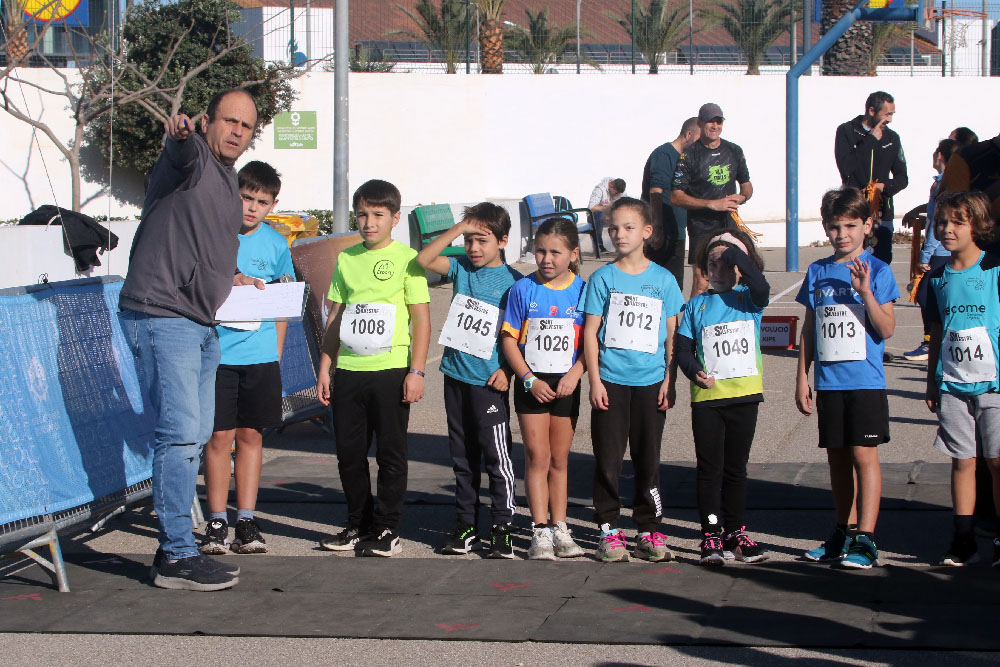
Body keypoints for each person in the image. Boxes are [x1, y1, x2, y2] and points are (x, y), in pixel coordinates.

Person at [119, 88, 263, 592]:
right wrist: (177, 136)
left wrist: (233, 278)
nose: (235, 132)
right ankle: (177, 556)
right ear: (207, 121)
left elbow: (205, 246)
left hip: (200, 322)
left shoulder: (226, 179)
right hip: (163, 314)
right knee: (180, 435)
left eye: (245, 126)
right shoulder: (193, 158)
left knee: (197, 434)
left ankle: (174, 548)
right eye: (228, 121)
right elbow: (178, 150)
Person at [316, 179, 431, 558]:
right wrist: (325, 366)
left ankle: (387, 528)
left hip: (391, 370)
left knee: (390, 455)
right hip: (349, 370)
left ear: (395, 218)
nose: (369, 222)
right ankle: (357, 523)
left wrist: (416, 372)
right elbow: (335, 316)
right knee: (349, 454)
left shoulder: (408, 259)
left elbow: (422, 319)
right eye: (362, 214)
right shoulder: (346, 259)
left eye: (378, 215)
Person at [795, 187, 898, 570]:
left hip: (865, 381)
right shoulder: (818, 271)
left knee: (862, 456)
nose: (842, 234)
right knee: (837, 459)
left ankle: (866, 538)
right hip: (829, 382)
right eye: (835, 227)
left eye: (851, 226)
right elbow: (809, 328)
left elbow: (886, 329)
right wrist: (801, 377)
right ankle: (844, 528)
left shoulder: (880, 270)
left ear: (867, 225)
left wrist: (865, 292)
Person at [579, 197, 684, 562]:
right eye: (614, 228)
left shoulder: (664, 280)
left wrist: (669, 379)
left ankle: (649, 529)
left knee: (647, 459)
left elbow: (673, 336)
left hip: (651, 383)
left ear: (647, 232)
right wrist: (594, 381)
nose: (619, 234)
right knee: (608, 459)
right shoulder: (602, 279)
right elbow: (590, 333)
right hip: (611, 381)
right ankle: (609, 529)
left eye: (628, 227)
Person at [415, 203, 522, 559]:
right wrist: (459, 228)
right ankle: (466, 525)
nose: (474, 248)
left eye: (483, 240)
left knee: (496, 457)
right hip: (455, 377)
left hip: (488, 383)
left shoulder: (514, 284)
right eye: (470, 240)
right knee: (462, 458)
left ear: (503, 241)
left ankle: (503, 526)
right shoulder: (461, 268)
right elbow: (424, 259)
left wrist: (507, 371)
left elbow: (521, 336)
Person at [200, 161, 294, 556]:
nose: (252, 207)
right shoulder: (211, 233)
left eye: (262, 201)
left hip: (259, 358)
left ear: (273, 205)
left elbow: (284, 303)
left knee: (251, 436)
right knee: (219, 437)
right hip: (217, 356)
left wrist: (275, 355)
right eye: (246, 198)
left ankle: (247, 519)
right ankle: (217, 520)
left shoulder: (276, 245)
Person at [675, 229, 770, 566]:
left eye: (727, 263)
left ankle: (735, 531)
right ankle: (711, 532)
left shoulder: (749, 300)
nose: (720, 270)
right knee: (710, 469)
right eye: (712, 264)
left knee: (736, 469)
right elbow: (682, 349)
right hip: (709, 400)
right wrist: (692, 370)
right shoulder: (697, 306)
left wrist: (736, 256)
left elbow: (762, 286)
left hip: (744, 397)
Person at [501, 218, 587, 560]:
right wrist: (527, 379)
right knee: (537, 457)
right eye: (540, 251)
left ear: (573, 254)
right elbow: (509, 339)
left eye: (555, 252)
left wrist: (576, 374)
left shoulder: (582, 290)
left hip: (566, 384)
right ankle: (540, 530)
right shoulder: (523, 289)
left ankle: (560, 525)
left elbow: (590, 342)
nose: (546, 259)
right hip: (531, 384)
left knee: (559, 459)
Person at [924, 191, 1000, 567]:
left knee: (997, 461)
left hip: (994, 384)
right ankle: (964, 537)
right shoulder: (936, 279)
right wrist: (931, 380)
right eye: (942, 222)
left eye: (957, 222)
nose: (947, 229)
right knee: (963, 460)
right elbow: (937, 333)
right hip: (953, 384)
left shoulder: (995, 269)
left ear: (978, 225)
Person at [671, 103, 753, 298]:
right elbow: (676, 196)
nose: (715, 126)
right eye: (710, 121)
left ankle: (730, 318)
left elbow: (747, 186)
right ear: (700, 123)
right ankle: (692, 325)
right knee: (702, 280)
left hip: (729, 223)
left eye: (718, 121)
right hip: (701, 226)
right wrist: (711, 204)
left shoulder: (734, 150)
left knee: (735, 273)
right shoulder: (689, 154)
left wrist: (741, 197)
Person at [834, 91, 908, 265]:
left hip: (881, 213)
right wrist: (870, 141)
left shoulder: (892, 138)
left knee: (881, 261)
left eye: (892, 114)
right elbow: (846, 167)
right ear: (872, 111)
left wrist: (884, 187)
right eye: (887, 114)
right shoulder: (846, 131)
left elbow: (902, 177)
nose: (889, 120)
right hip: (853, 209)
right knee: (850, 260)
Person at [901, 139, 959, 361]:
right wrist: (918, 209)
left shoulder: (942, 184)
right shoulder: (946, 181)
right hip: (944, 251)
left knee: (926, 297)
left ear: (940, 156)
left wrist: (925, 256)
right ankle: (937, 340)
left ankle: (931, 342)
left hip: (939, 253)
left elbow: (937, 222)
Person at [642, 116, 701, 290]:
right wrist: (657, 227)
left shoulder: (687, 158)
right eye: (699, 140)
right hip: (662, 235)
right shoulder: (664, 155)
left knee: (673, 289)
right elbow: (655, 192)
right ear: (688, 134)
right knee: (655, 287)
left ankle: (672, 318)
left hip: (677, 233)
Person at [588, 177, 626, 253]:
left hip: (609, 216)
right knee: (600, 214)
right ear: (611, 186)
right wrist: (607, 209)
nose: (617, 195)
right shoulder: (599, 189)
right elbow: (591, 208)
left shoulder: (619, 192)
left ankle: (620, 245)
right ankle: (598, 245)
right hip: (594, 217)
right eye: (616, 193)